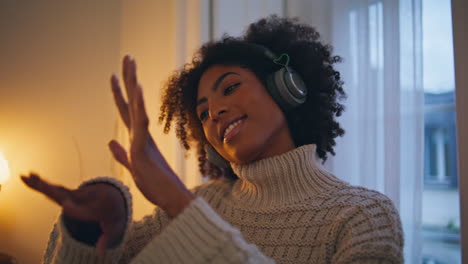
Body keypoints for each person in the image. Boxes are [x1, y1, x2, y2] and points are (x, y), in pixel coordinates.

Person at [21, 16, 404, 263]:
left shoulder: (362, 215)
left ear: (288, 88)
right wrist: (101, 223)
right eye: (202, 112)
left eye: (231, 88)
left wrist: (177, 201)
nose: (215, 112)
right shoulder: (205, 202)